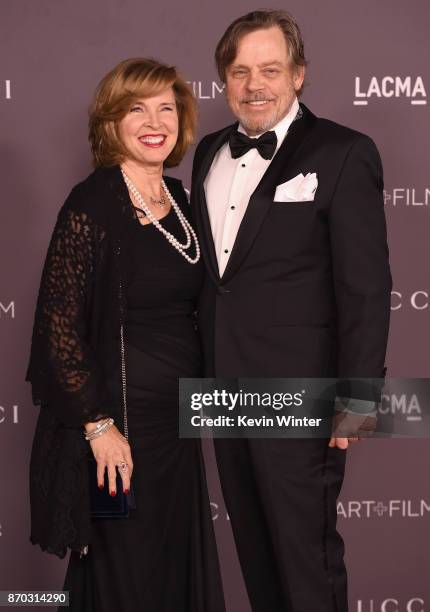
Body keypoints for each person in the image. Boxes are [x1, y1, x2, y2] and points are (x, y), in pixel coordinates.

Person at [191, 10, 392, 612]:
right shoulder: (205, 153)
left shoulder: (343, 152)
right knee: (254, 552)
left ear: (299, 75)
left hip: (302, 397)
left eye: (271, 70)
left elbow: (366, 287)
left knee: (306, 560)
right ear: (224, 80)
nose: (255, 85)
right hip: (223, 392)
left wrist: (358, 403)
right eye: (241, 71)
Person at [26, 57, 225, 612]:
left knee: (170, 563)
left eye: (167, 107)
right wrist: (97, 426)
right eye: (136, 108)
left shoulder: (184, 202)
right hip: (120, 430)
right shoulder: (91, 205)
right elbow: (57, 327)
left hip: (177, 426)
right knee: (122, 570)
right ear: (111, 123)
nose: (153, 120)